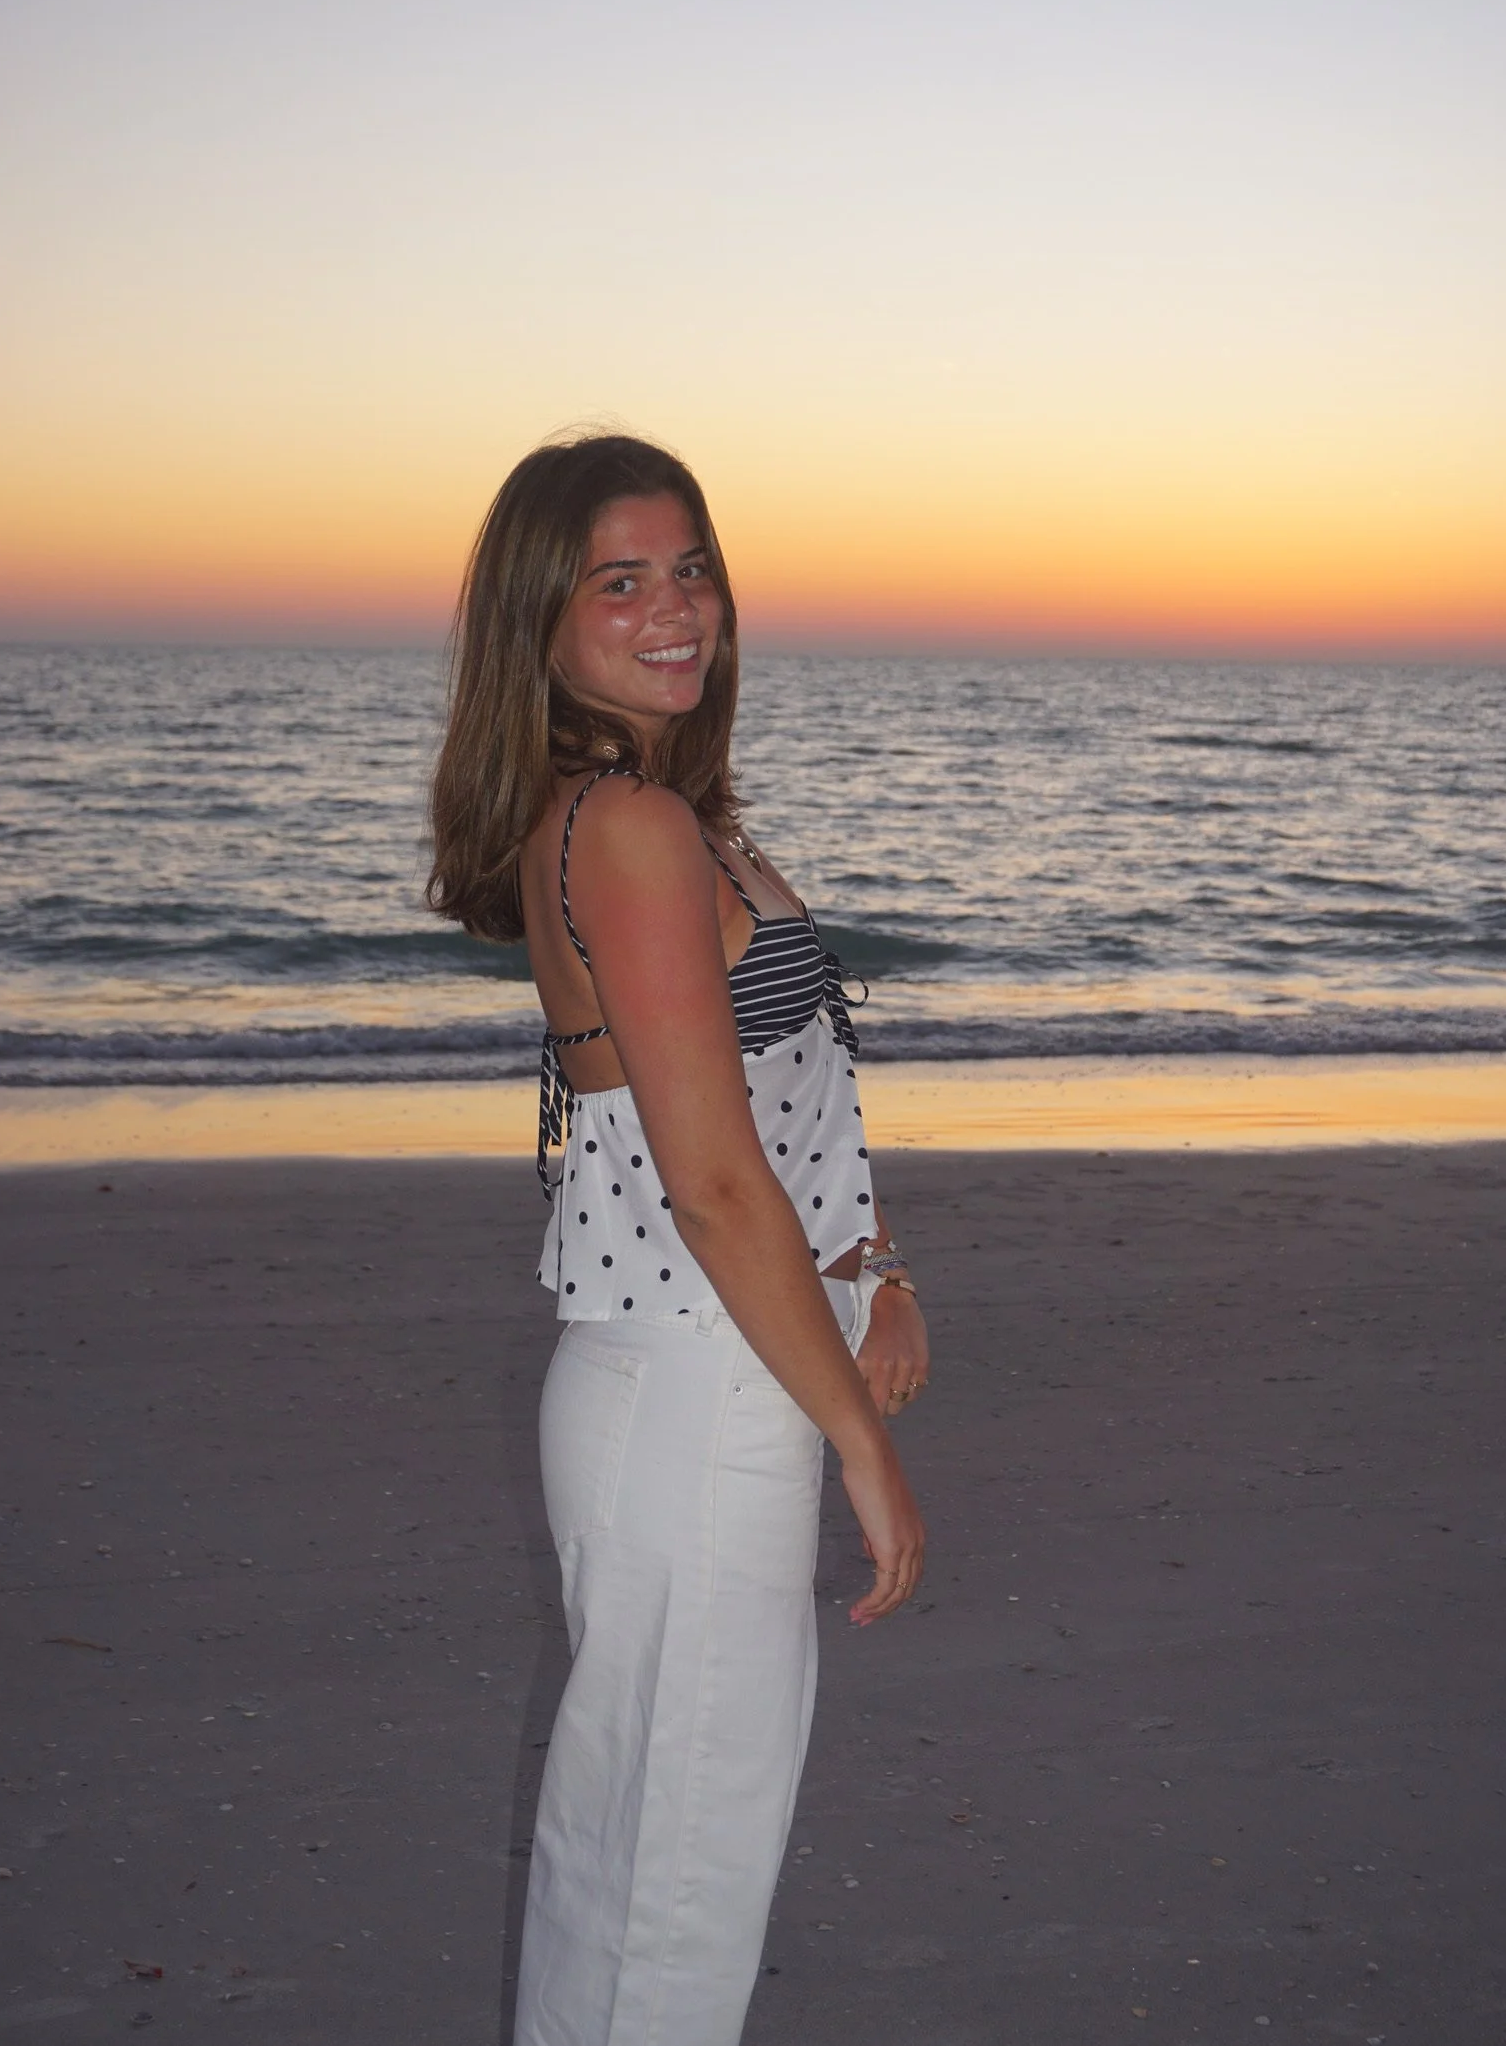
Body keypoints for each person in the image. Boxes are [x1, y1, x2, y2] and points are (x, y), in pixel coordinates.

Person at [427, 433, 929, 2046]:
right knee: (672, 1878)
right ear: (542, 621)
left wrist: (875, 1271)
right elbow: (710, 1183)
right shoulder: (626, 830)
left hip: (704, 1372)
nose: (673, 608)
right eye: (620, 580)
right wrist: (860, 1441)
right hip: (704, 1387)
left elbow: (781, 1105)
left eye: (692, 567)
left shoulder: (673, 816)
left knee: (637, 1852)